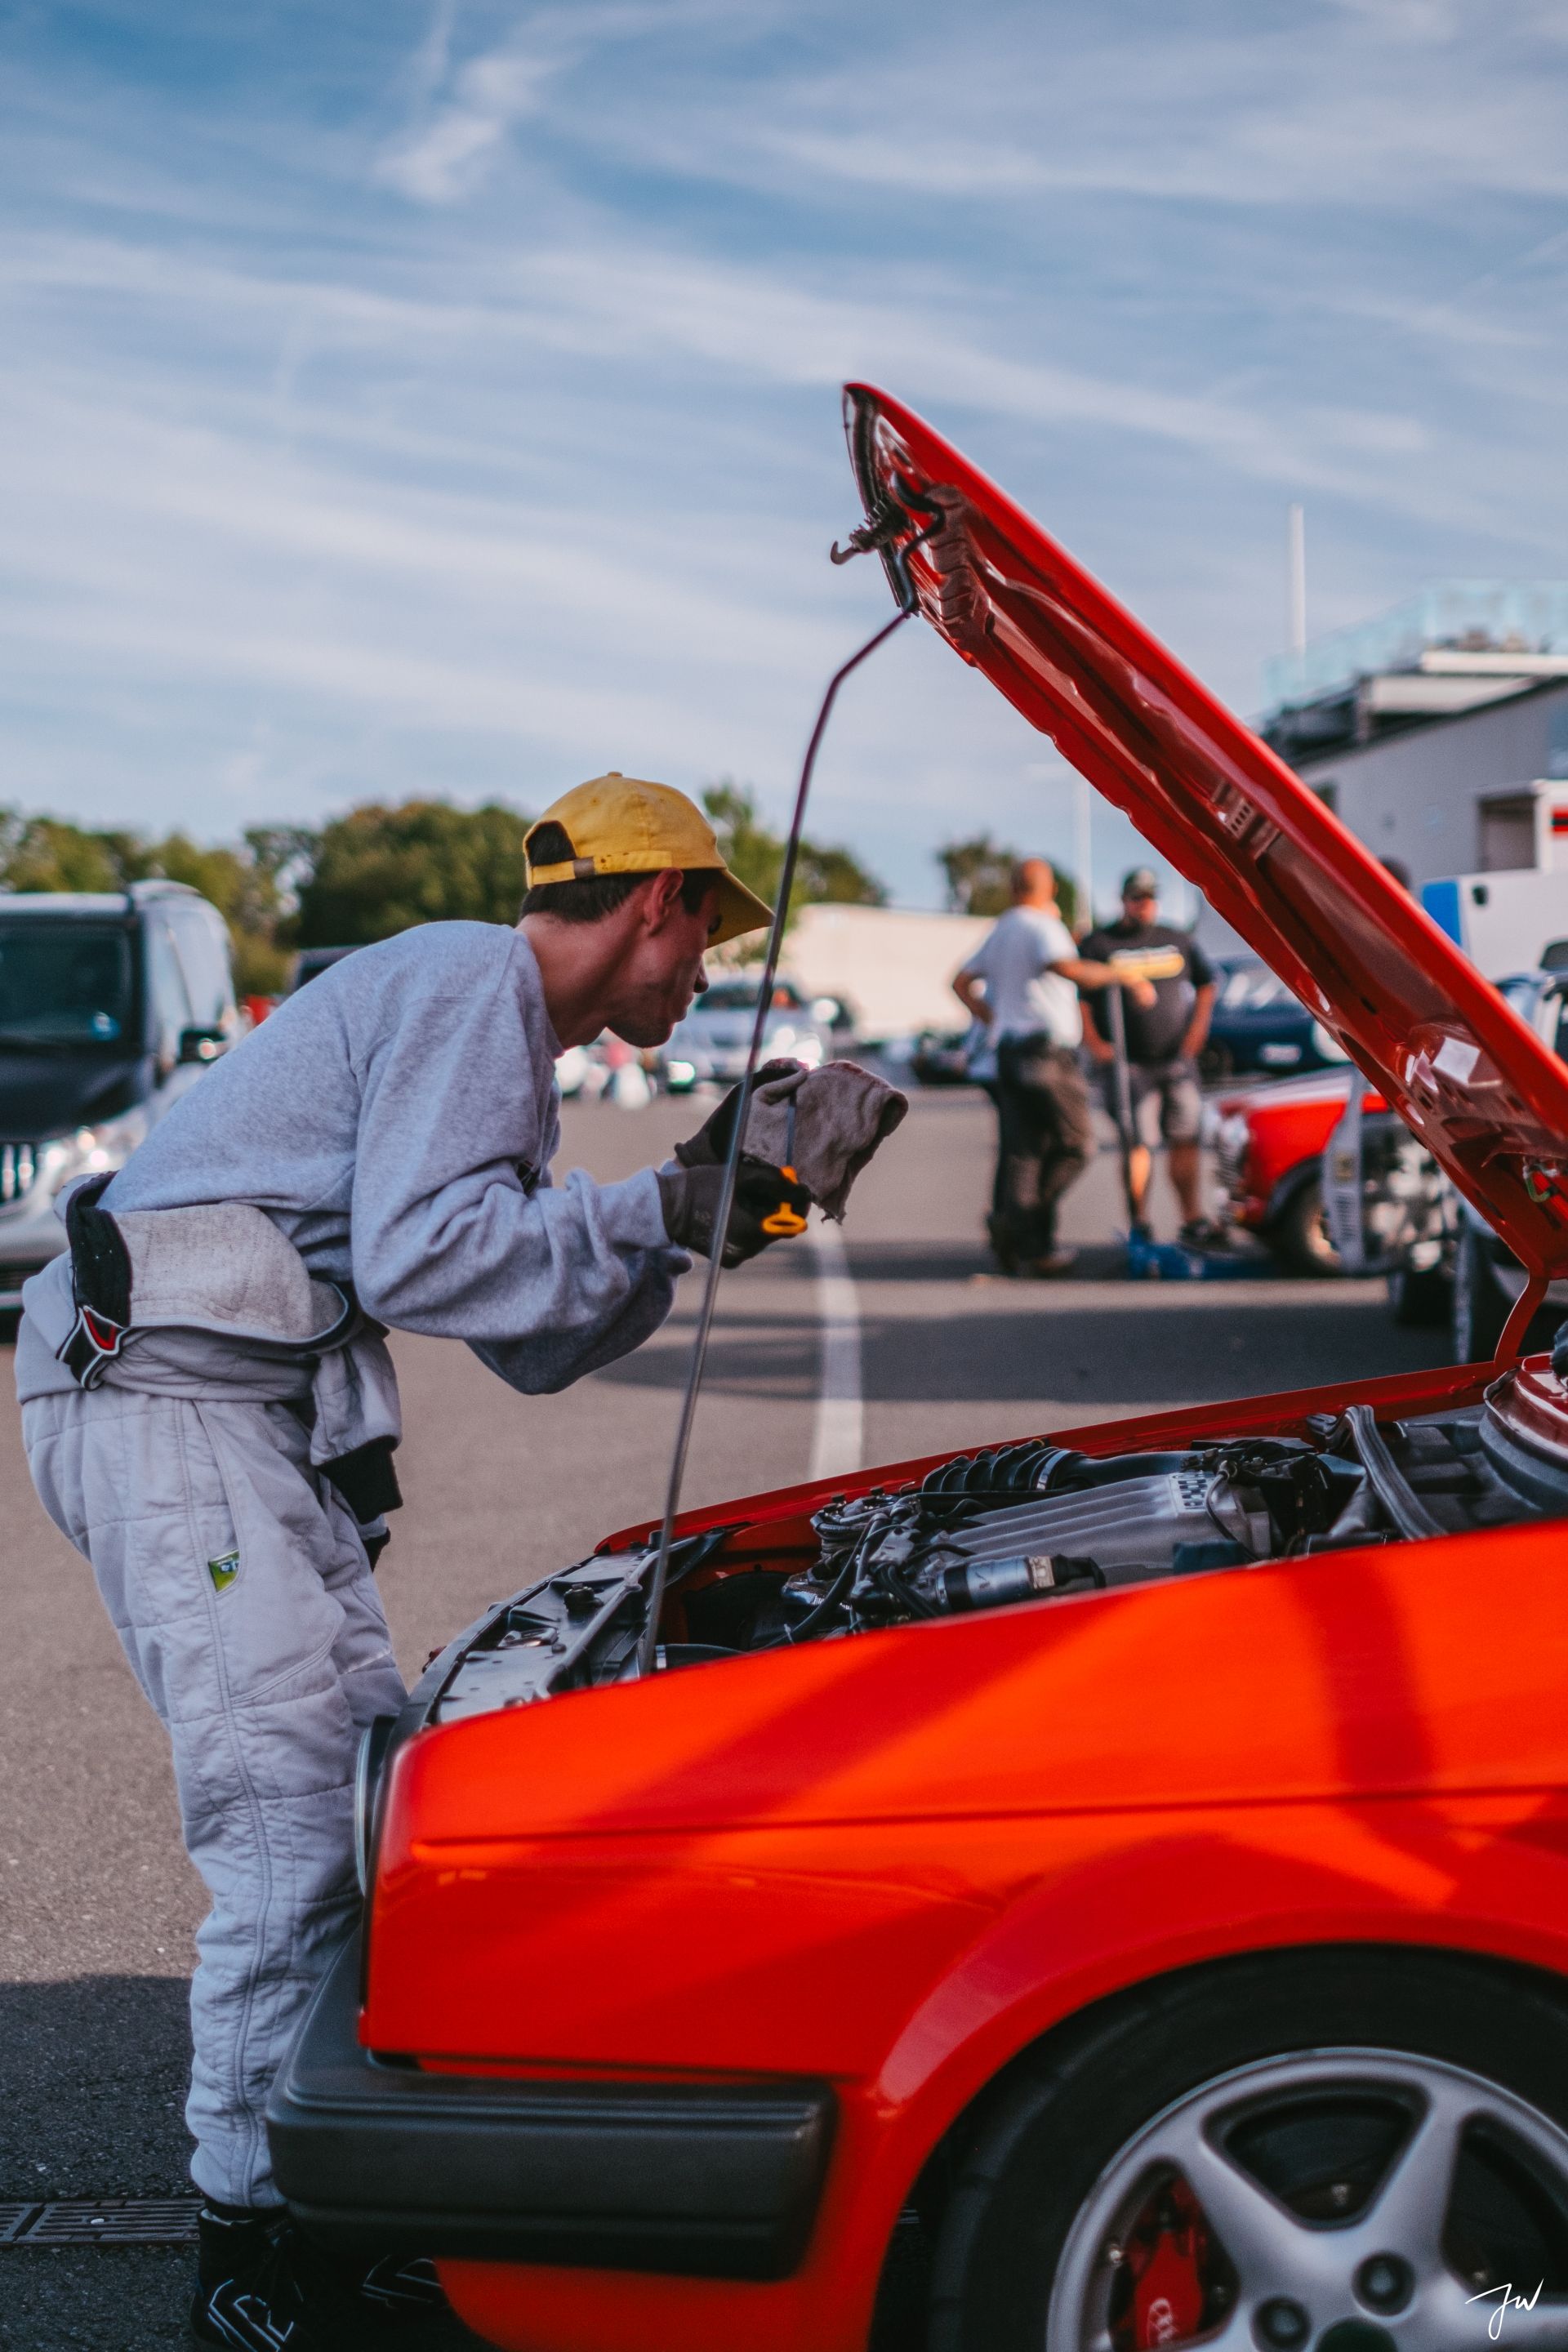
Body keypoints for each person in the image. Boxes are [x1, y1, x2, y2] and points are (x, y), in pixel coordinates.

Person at [14, 773, 821, 2351]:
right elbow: (426, 1261)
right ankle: (251, 2257)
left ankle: (321, 2207)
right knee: (287, 1831)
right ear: (653, 901)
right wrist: (665, 1196)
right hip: (174, 1415)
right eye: (705, 941)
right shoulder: (476, 979)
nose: (704, 975)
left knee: (374, 1802)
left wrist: (698, 1221)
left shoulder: (489, 1023)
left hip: (237, 1422)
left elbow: (520, 1337)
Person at [952, 858, 1155, 1276]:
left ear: (1013, 889)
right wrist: (1119, 976)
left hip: (1009, 1051)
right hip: (1046, 1054)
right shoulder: (1042, 925)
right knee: (1078, 1145)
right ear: (1049, 890)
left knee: (1024, 1153)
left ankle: (1028, 1241)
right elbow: (1064, 966)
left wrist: (996, 1019)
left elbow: (959, 983)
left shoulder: (1004, 927)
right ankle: (1021, 1226)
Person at [1077, 866, 1218, 1245]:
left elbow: (1207, 984)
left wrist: (1197, 1031)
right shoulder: (1100, 944)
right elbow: (1082, 999)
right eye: (1137, 898)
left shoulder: (1176, 939)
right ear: (1124, 900)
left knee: (1185, 1136)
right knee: (1138, 1141)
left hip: (1176, 1060)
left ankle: (1192, 1217)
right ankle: (1139, 1219)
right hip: (1129, 1064)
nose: (1144, 905)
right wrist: (1093, 1041)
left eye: (1150, 898)